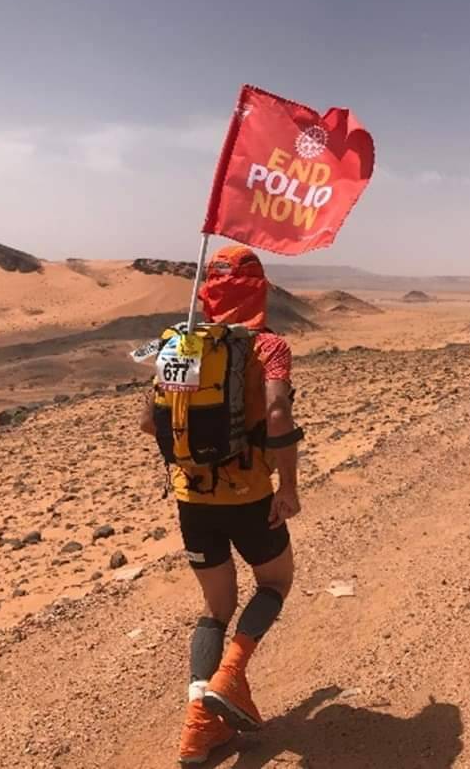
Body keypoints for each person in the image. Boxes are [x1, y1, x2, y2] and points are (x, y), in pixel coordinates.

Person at [139, 245, 304, 765]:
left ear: (208, 294)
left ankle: (197, 729)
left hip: (191, 497)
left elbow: (147, 422)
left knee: (215, 609)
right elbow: (277, 413)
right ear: (260, 291)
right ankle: (231, 673)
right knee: (274, 583)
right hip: (249, 494)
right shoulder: (269, 346)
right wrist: (289, 485)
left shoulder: (179, 344)